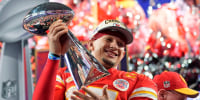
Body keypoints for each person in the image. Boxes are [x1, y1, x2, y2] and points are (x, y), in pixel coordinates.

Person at [33, 19, 158, 100]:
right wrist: (54, 54)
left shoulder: (140, 81)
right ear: (91, 45)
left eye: (120, 44)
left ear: (123, 53)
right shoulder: (65, 75)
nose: (114, 46)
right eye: (108, 39)